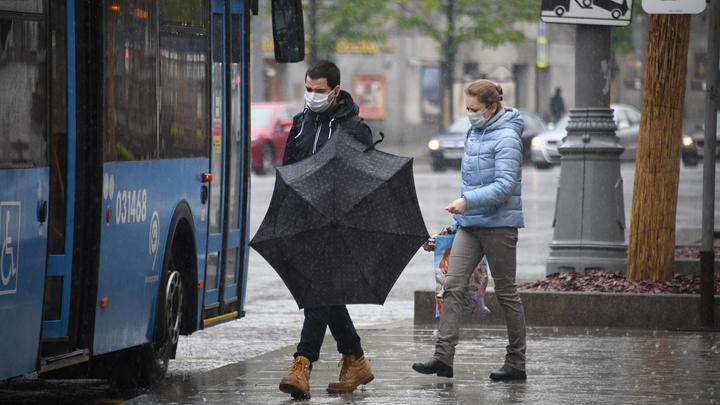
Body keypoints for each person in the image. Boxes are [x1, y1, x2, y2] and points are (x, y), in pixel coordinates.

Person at [411, 79, 528, 381]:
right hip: (470, 225)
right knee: (452, 286)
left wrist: (467, 202)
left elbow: (504, 186)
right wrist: (453, 226)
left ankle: (516, 362)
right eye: (467, 109)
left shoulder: (508, 137)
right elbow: (472, 183)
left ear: (492, 107)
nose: (470, 114)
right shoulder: (474, 132)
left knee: (506, 293)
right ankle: (443, 358)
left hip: (500, 226)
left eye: (474, 109)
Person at [278, 60, 375, 400]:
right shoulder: (301, 124)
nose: (312, 96)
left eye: (319, 91)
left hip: (339, 225)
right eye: (308, 90)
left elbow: (367, 180)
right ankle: (356, 359)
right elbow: (288, 171)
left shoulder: (353, 127)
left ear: (335, 90)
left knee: (317, 294)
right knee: (327, 296)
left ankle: (301, 365)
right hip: (306, 222)